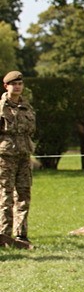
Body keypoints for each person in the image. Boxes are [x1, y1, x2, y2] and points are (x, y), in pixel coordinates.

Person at [0, 70, 36, 249]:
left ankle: (21, 235)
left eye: (20, 84)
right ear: (6, 86)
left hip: (23, 156)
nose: (18, 87)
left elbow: (31, 130)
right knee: (5, 196)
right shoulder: (1, 106)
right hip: (5, 158)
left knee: (23, 195)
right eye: (14, 84)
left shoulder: (26, 107)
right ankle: (4, 236)